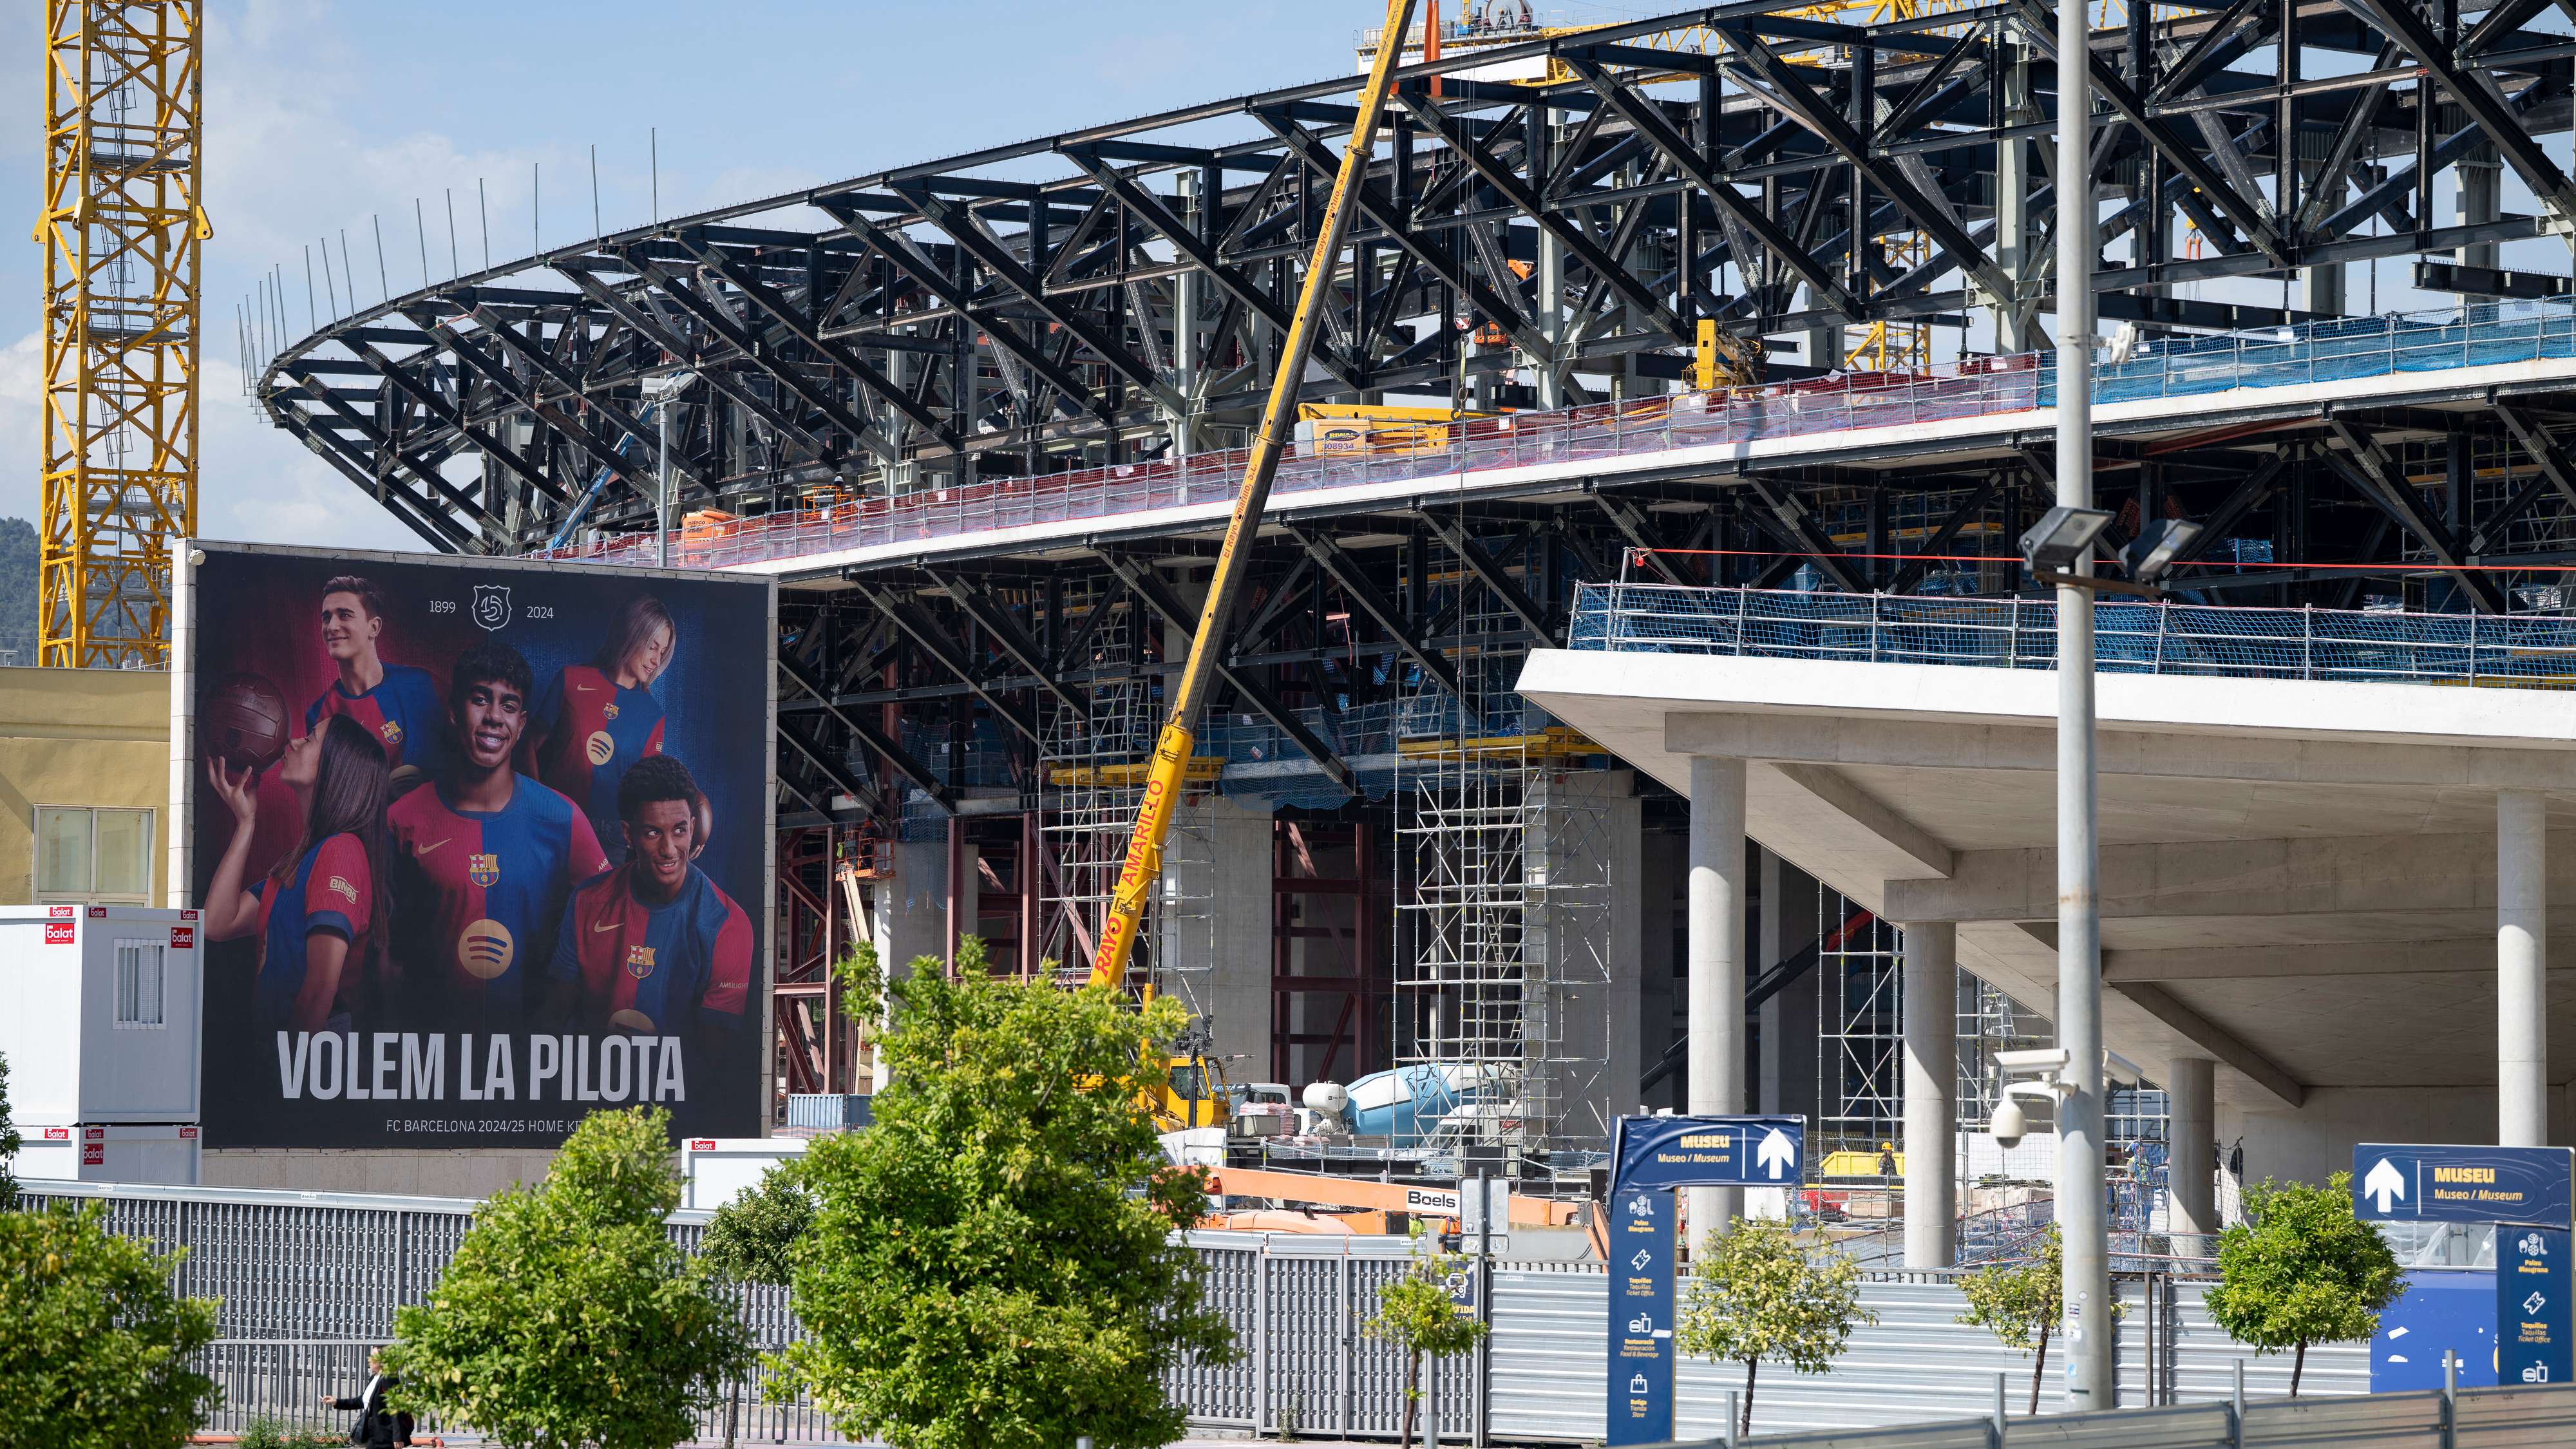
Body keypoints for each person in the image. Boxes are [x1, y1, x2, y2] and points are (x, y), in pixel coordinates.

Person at [388, 641, 607, 1025]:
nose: (493, 717)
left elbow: (613, 917)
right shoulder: (401, 818)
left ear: (522, 724)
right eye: (480, 699)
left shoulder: (562, 818)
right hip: (432, 1049)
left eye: (508, 706)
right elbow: (380, 941)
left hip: (530, 1049)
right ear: (454, 712)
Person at [201, 713, 394, 1032]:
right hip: (281, 1060)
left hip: (304, 1070)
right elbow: (217, 923)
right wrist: (245, 824)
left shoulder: (341, 852)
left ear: (336, 767)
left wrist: (287, 1075)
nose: (292, 742)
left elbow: (319, 991)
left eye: (310, 739)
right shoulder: (300, 863)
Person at [547, 754, 751, 1043]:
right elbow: (553, 1018)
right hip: (590, 1082)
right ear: (629, 835)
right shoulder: (587, 901)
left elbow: (716, 1059)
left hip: (679, 1085)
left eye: (679, 830)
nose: (669, 849)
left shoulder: (728, 924)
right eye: (653, 832)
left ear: (692, 828)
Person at [531, 594, 674, 858]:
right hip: (555, 818)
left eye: (663, 652)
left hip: (612, 837)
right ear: (632, 634)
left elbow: (647, 789)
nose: (657, 660)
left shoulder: (654, 715)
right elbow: (529, 744)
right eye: (653, 647)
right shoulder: (572, 679)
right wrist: (538, 803)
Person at [304, 575, 446, 784]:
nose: (332, 626)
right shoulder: (318, 716)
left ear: (374, 627)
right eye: (326, 618)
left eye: (344, 615)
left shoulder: (423, 684)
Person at [323, 1351, 412, 1448]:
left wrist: (397, 1436)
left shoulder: (389, 1379)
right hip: (374, 1435)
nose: (369, 1360)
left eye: (373, 1357)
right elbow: (361, 1401)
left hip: (386, 1436)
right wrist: (336, 1402)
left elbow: (396, 1407)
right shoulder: (375, 1378)